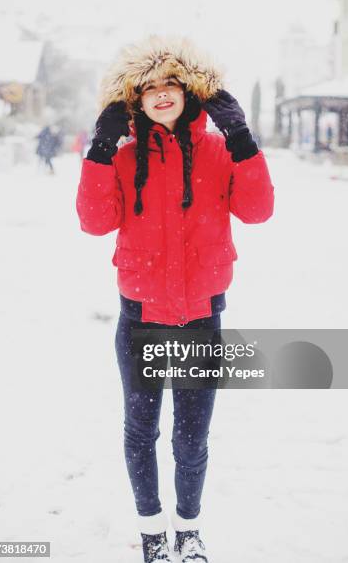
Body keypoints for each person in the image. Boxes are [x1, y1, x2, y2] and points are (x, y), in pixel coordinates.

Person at [75, 35, 274, 563]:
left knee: (191, 441)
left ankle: (188, 529)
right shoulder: (122, 158)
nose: (161, 95)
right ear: (133, 100)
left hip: (202, 318)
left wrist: (243, 140)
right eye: (149, 88)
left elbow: (256, 211)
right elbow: (95, 223)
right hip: (139, 315)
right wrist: (98, 152)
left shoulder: (218, 151)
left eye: (171, 85)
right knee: (141, 432)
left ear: (190, 92)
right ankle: (151, 533)